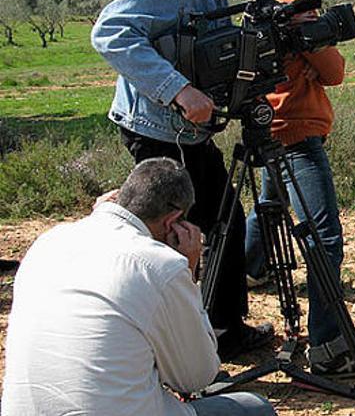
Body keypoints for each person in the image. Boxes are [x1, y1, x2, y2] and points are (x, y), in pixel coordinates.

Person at [90, 0, 284, 359]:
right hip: (158, 131)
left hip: (183, 131)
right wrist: (178, 90)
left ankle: (222, 330)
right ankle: (165, 344)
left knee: (225, 220)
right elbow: (110, 32)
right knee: (171, 237)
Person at [1, 158, 276, 416]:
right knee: (254, 408)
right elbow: (196, 377)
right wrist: (189, 274)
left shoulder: (49, 241)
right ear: (173, 222)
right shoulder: (161, 265)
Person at [242, 0, 355, 376]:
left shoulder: (255, 4)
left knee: (268, 205)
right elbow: (333, 69)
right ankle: (328, 346)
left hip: (268, 127)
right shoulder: (293, 8)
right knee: (323, 239)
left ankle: (252, 269)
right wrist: (313, 67)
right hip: (298, 131)